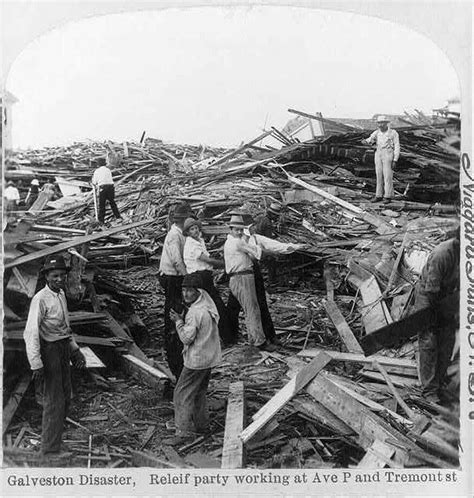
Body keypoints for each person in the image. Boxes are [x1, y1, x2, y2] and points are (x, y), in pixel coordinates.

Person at [23, 254, 86, 456]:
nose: (59, 279)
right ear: (46, 277)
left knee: (66, 396)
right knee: (54, 400)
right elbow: (31, 332)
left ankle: (55, 440)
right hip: (49, 351)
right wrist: (36, 364)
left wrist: (75, 350)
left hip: (63, 348)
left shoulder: (60, 295)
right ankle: (49, 451)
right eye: (55, 276)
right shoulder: (40, 299)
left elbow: (65, 327)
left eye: (62, 275)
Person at [227, 219, 306, 345]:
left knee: (260, 304)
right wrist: (270, 253)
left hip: (252, 272)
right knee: (235, 307)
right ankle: (232, 337)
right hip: (240, 274)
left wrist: (292, 247)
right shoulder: (235, 241)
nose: (243, 231)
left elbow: (273, 244)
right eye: (239, 229)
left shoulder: (256, 238)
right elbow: (260, 253)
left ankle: (269, 336)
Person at [166, 273, 222, 445]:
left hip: (196, 360)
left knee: (181, 394)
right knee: (199, 393)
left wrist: (178, 321)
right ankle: (202, 425)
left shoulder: (195, 312)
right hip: (209, 358)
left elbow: (186, 338)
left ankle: (183, 433)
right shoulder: (208, 306)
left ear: (199, 291)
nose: (186, 294)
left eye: (190, 291)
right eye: (184, 290)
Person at [413, 231, 460, 403]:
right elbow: (431, 290)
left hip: (448, 295)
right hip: (428, 296)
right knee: (429, 340)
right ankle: (429, 390)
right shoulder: (442, 254)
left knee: (448, 340)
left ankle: (439, 381)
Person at [223, 214, 275, 352]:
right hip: (242, 277)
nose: (239, 232)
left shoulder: (232, 241)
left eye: (241, 230)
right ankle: (259, 342)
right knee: (252, 310)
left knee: (249, 309)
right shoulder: (237, 242)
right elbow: (255, 252)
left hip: (240, 277)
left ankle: (253, 339)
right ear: (231, 230)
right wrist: (275, 251)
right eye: (236, 230)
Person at [182, 217, 233, 345]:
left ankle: (220, 336)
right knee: (214, 305)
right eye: (192, 229)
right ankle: (226, 337)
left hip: (203, 275)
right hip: (198, 277)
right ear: (187, 232)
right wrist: (226, 264)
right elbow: (207, 260)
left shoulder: (199, 241)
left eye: (196, 228)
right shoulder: (191, 244)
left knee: (209, 306)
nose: (195, 231)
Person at [158, 203, 189, 378]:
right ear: (182, 220)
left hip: (176, 276)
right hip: (172, 277)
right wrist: (187, 279)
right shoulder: (174, 236)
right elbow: (177, 260)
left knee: (179, 307)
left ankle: (177, 333)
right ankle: (171, 338)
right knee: (173, 308)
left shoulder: (181, 234)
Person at [363, 115, 400, 204]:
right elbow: (369, 140)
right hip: (378, 154)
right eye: (379, 123)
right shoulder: (376, 133)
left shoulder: (393, 133)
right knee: (378, 175)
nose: (380, 125)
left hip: (388, 153)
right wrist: (365, 141)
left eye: (382, 123)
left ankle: (387, 196)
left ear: (386, 123)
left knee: (387, 176)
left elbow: (397, 146)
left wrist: (395, 160)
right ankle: (378, 195)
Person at [91, 156, 122, 224]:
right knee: (112, 203)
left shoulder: (97, 171)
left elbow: (94, 182)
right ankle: (118, 217)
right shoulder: (108, 170)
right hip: (111, 187)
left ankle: (101, 221)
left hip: (103, 188)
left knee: (102, 205)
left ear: (98, 164)